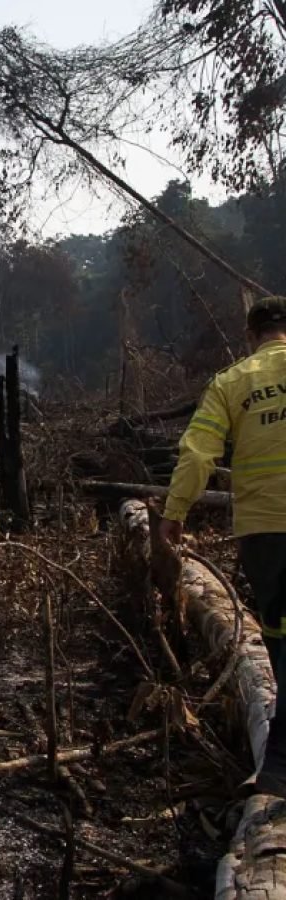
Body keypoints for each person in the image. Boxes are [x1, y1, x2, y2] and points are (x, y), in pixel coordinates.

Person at [160, 295, 286, 796]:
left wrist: (174, 513)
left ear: (251, 336)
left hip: (265, 533)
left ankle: (279, 767)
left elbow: (196, 454)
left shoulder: (233, 382)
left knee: (280, 637)